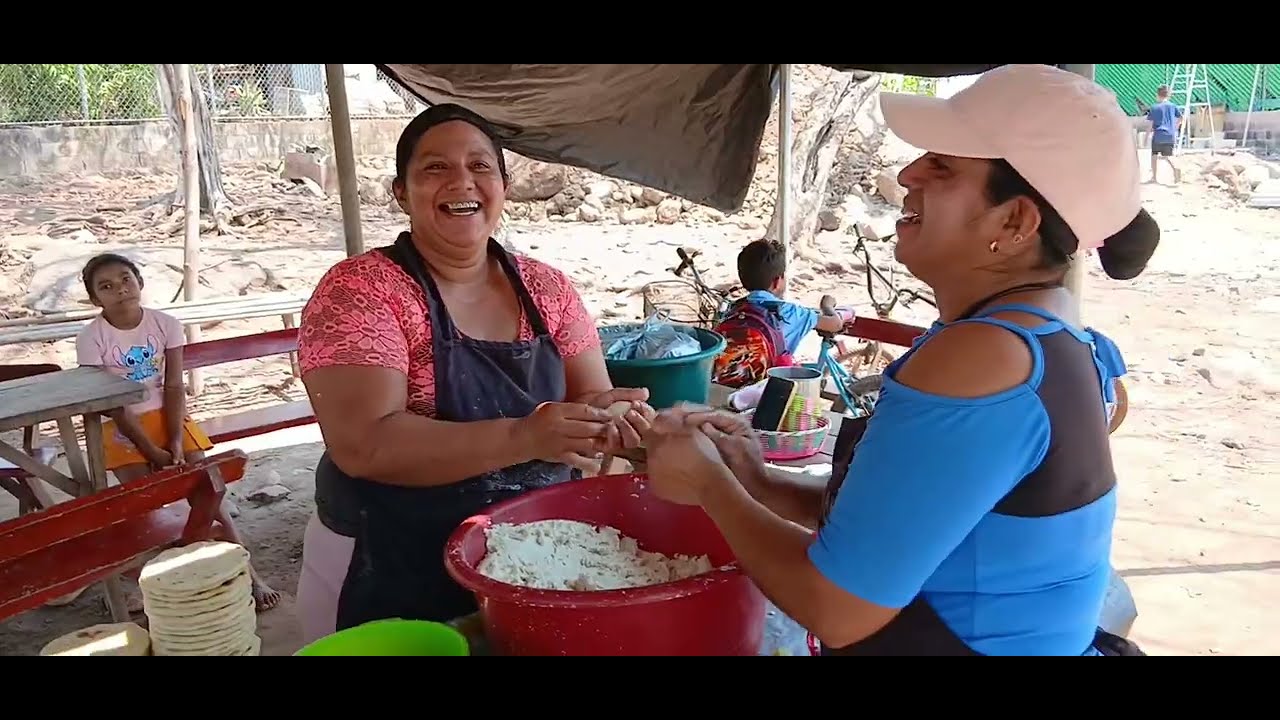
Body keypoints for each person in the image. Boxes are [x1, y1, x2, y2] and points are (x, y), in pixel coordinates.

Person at [642, 64, 1157, 656]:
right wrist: (757, 480)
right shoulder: (1048, 333)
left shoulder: (984, 358)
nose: (908, 174)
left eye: (943, 166)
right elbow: (906, 519)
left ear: (1015, 222)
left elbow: (837, 607)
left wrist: (709, 483)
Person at [294, 103, 656, 644]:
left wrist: (609, 421)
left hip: (531, 554)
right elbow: (364, 445)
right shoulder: (362, 291)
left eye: (480, 166)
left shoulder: (547, 288)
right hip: (389, 556)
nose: (462, 181)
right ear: (401, 193)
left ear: (503, 187)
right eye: (435, 167)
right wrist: (526, 435)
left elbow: (590, 397)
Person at [75, 253, 281, 612]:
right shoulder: (91, 338)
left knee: (207, 491)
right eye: (106, 287)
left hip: (168, 415)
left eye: (125, 279)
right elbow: (111, 403)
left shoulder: (166, 324)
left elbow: (173, 385)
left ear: (140, 282)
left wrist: (173, 441)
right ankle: (155, 585)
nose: (120, 290)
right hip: (121, 422)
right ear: (95, 299)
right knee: (142, 504)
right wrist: (150, 451)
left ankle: (249, 574)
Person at [712, 239, 852, 387]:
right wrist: (827, 305)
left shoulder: (732, 309)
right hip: (767, 393)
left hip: (723, 389)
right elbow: (835, 324)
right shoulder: (791, 312)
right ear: (777, 281)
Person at [1146, 84, 1184, 185]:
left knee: (1154, 155)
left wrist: (1146, 136)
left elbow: (1150, 124)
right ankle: (1176, 169)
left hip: (1158, 135)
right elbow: (1181, 117)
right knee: (1168, 155)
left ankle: (1154, 177)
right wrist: (1175, 127)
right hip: (1170, 135)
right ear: (1168, 95)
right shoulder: (1173, 106)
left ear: (1157, 95)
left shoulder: (1154, 107)